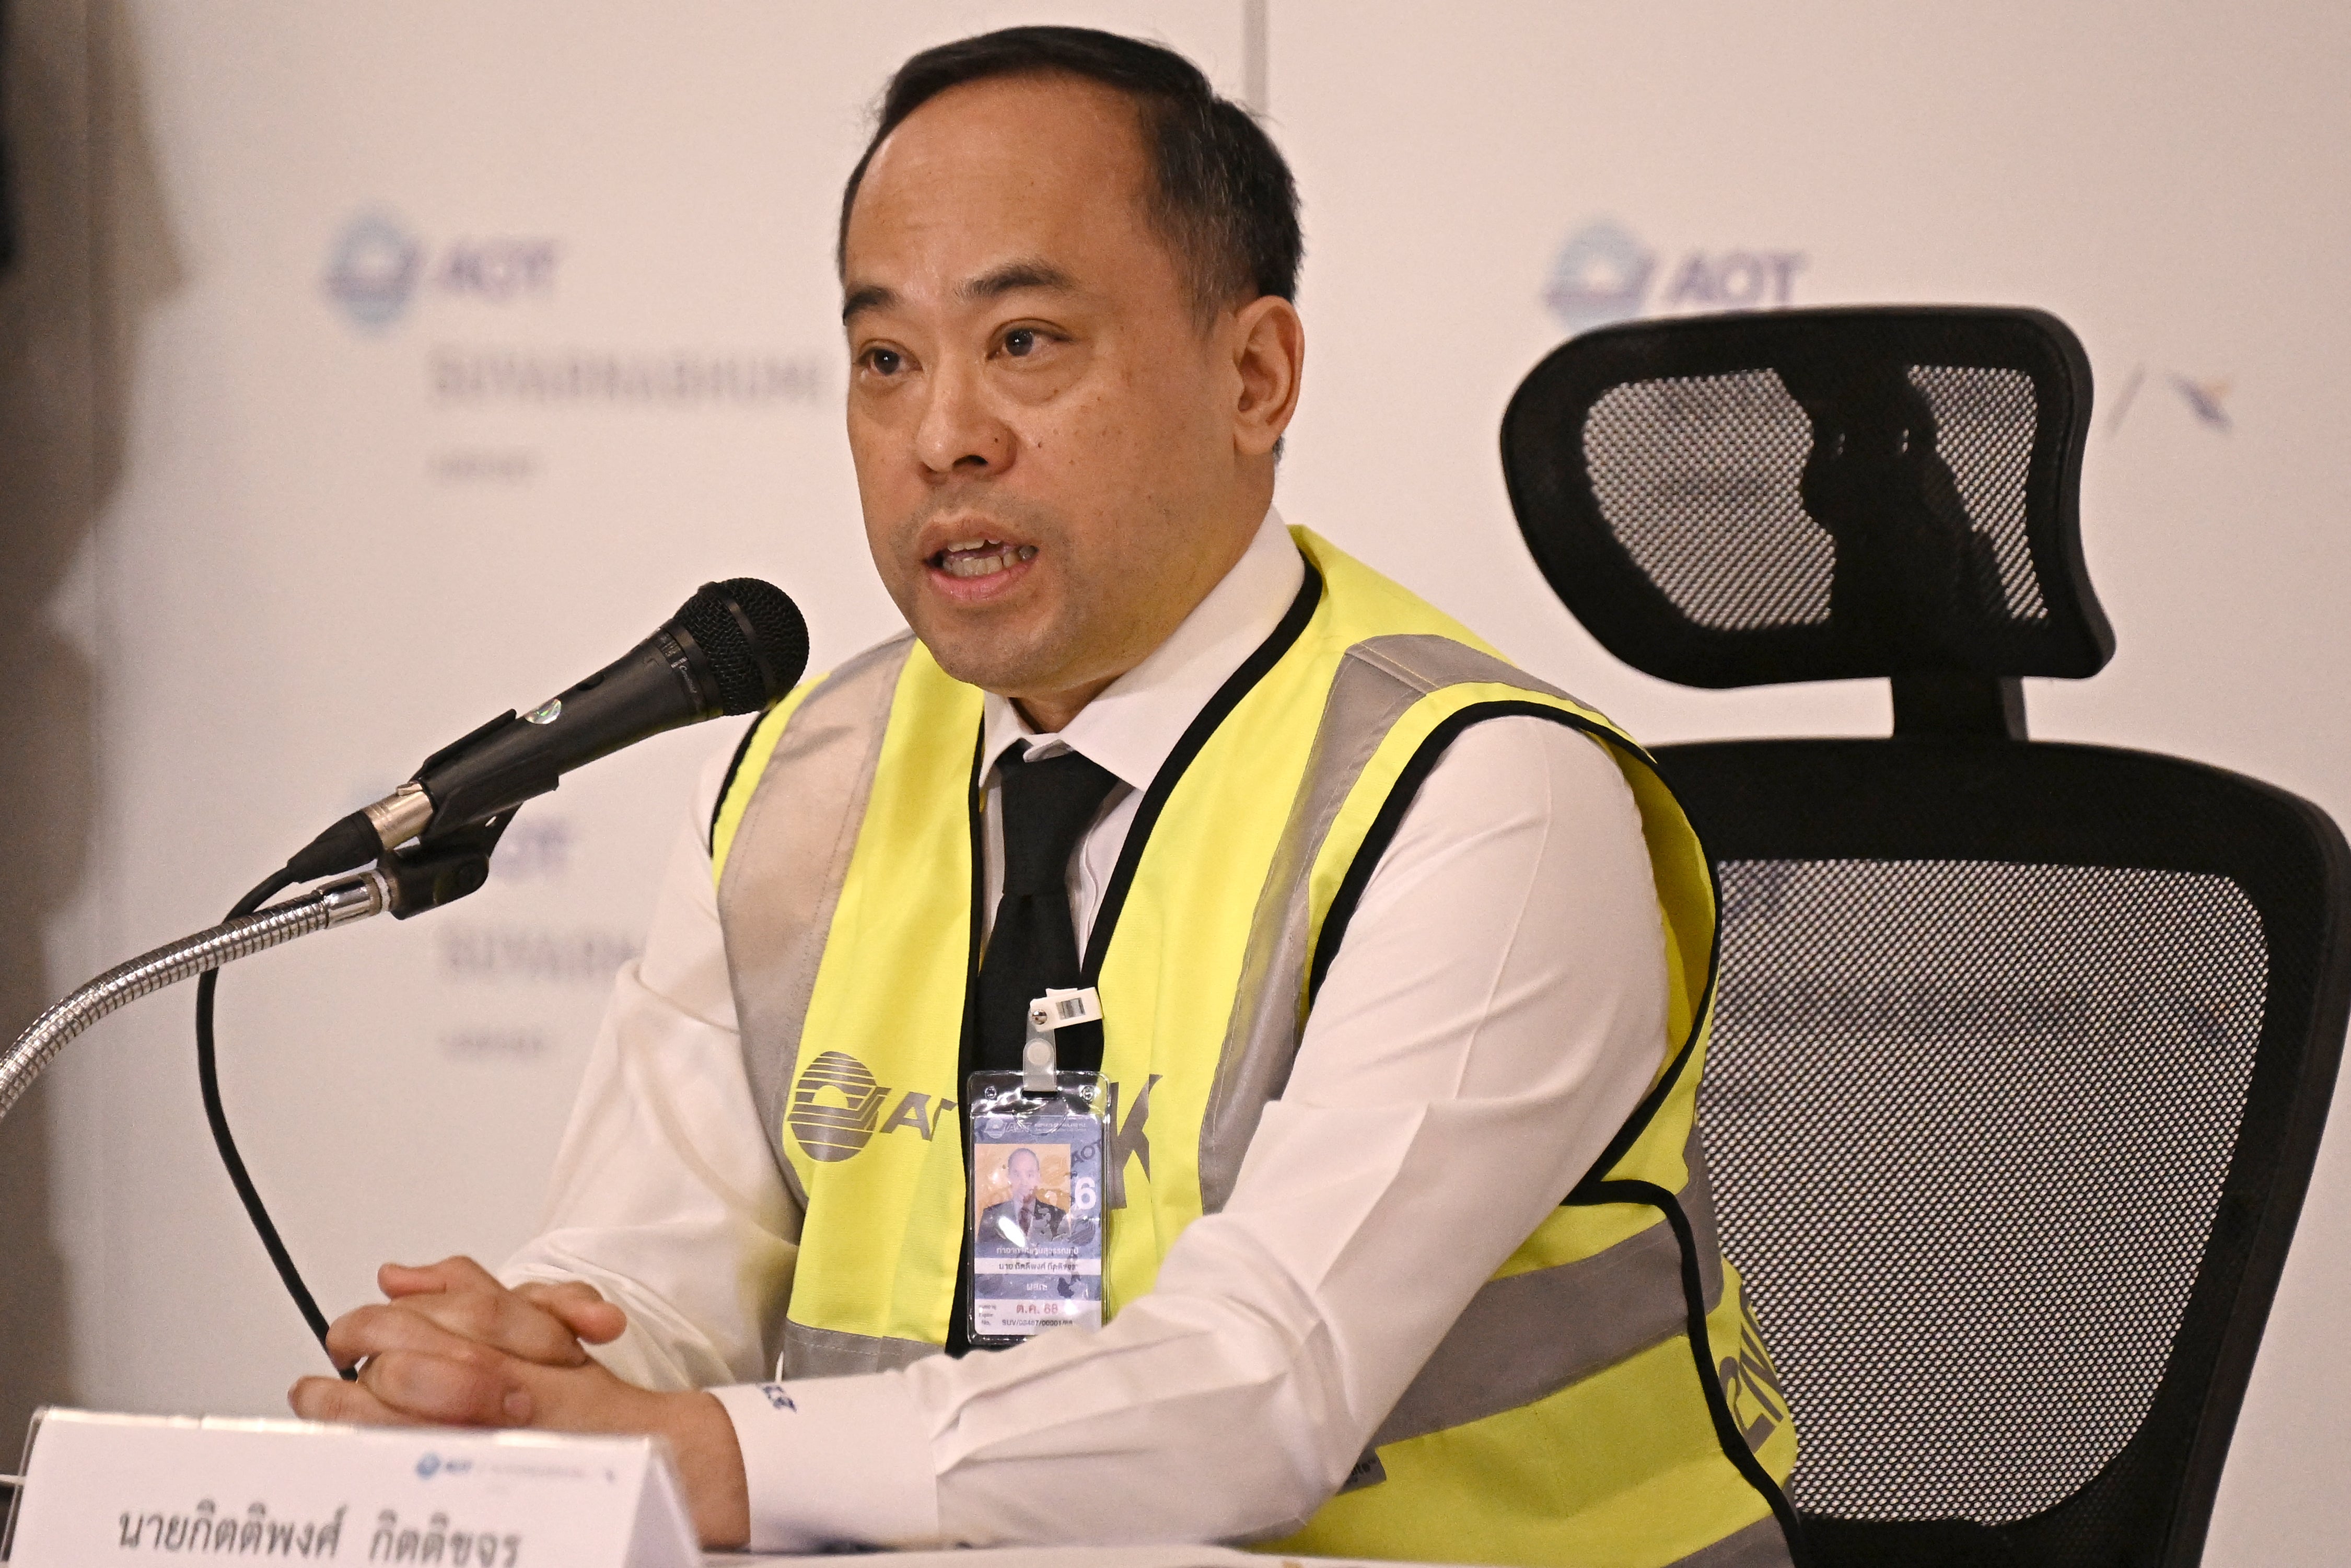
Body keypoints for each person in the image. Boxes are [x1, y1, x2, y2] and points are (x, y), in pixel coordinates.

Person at [290, 26, 1798, 1566]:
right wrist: (525, 1376)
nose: (943, 433)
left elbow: (1257, 1387)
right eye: (886, 360)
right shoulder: (792, 789)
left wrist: (700, 1454)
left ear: (1255, 374)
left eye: (1024, 344)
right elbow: (660, 1275)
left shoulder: (1477, 795)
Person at [976, 1147, 1068, 1252]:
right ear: (1009, 1177)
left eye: (1030, 1175)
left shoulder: (1057, 1217)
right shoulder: (991, 1216)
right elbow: (984, 1259)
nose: (1024, 1182)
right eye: (1017, 1175)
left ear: (1038, 1177)